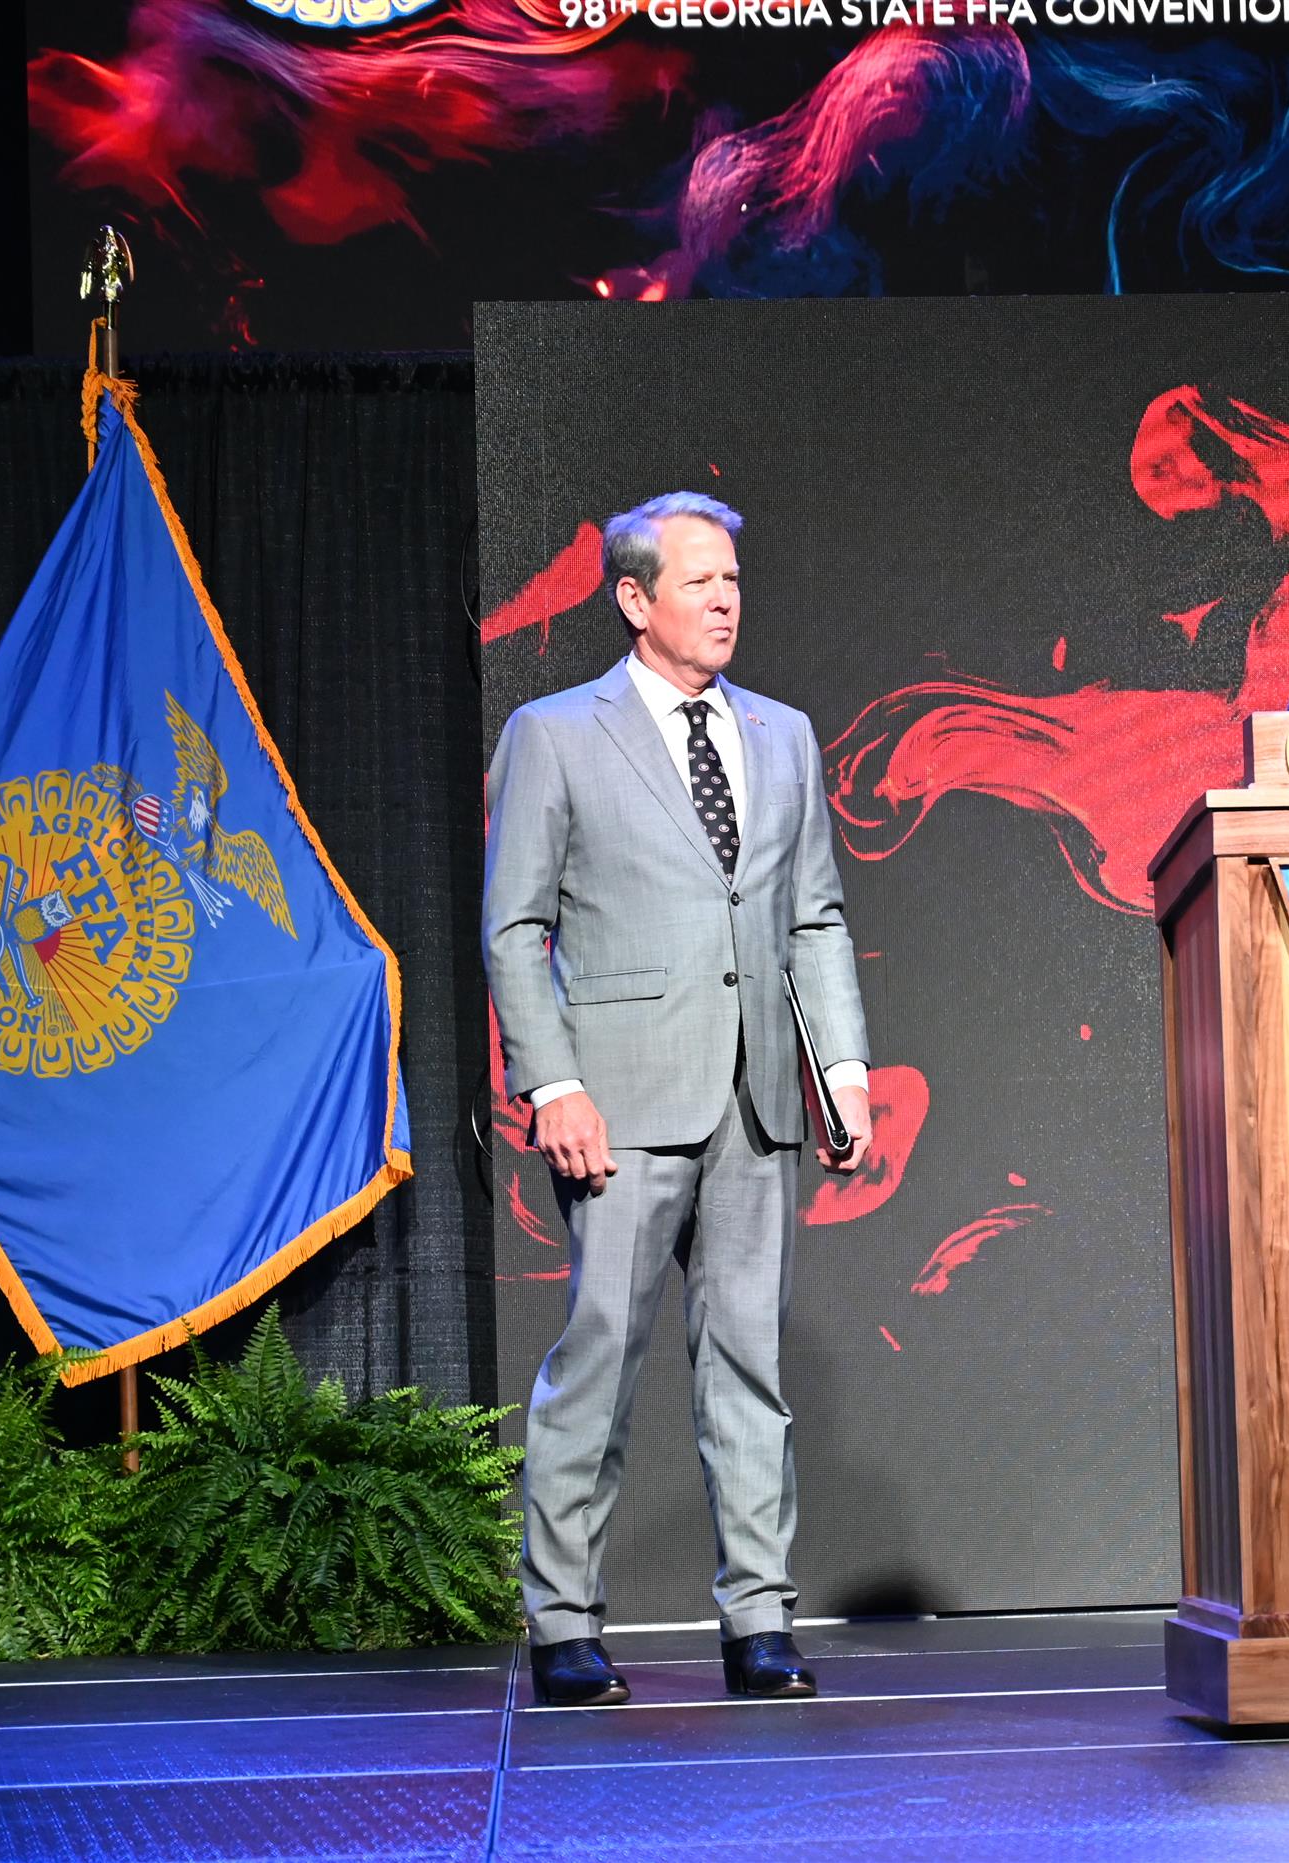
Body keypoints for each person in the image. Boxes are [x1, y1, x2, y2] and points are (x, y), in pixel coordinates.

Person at [484, 491, 876, 1705]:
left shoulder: (782, 734)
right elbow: (515, 928)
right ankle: (562, 1624)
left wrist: (841, 1072)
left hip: (757, 1102)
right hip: (617, 1100)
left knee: (749, 1367)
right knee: (598, 1362)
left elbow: (813, 915)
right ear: (634, 598)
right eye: (700, 582)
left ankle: (759, 1623)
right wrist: (554, 1084)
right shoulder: (557, 733)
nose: (724, 601)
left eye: (734, 582)